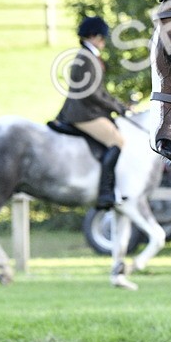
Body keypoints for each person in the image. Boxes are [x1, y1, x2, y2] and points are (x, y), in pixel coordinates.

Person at [55, 16, 129, 209]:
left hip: (87, 109)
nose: (104, 42)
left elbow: (100, 91)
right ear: (95, 37)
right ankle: (105, 193)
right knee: (118, 141)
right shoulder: (87, 58)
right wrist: (118, 108)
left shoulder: (87, 55)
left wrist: (120, 105)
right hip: (83, 113)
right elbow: (94, 94)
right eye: (103, 38)